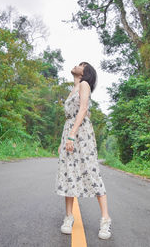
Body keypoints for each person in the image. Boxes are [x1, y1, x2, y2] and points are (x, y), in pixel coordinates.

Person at [55, 62, 112, 240]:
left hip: (81, 134)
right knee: (68, 174)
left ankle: (105, 219)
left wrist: (72, 135)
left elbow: (83, 109)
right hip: (69, 132)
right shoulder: (73, 89)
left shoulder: (84, 84)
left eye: (81, 65)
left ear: (85, 72)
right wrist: (63, 140)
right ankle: (68, 217)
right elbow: (69, 117)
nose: (76, 65)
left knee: (92, 173)